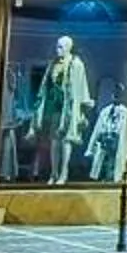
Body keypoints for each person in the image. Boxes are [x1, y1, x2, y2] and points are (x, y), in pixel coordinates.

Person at [37, 35, 92, 185]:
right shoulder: (52, 64)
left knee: (66, 140)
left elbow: (81, 87)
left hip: (69, 107)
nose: (58, 50)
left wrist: (81, 109)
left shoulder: (76, 64)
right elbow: (46, 85)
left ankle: (64, 172)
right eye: (57, 46)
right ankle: (54, 173)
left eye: (61, 47)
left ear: (68, 48)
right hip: (55, 106)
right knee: (54, 140)